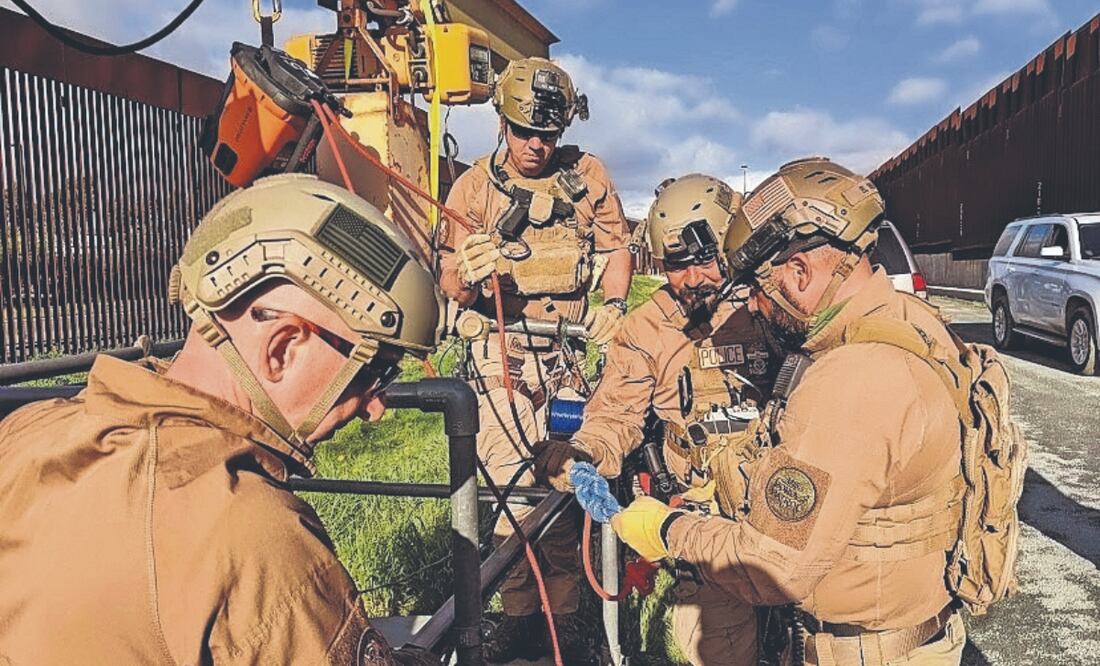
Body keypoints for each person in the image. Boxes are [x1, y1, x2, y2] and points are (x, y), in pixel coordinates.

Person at [0, 175, 445, 665]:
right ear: (283, 348)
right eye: (374, 371)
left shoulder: (26, 432)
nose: (375, 406)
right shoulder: (257, 540)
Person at [609, 158, 971, 665]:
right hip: (908, 628)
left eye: (758, 288)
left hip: (863, 649)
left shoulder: (850, 383)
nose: (752, 307)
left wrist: (666, 530)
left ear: (799, 271)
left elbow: (768, 566)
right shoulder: (914, 322)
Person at [535, 173, 781, 665]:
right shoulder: (646, 328)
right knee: (714, 649)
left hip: (789, 509)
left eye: (703, 260)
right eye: (675, 265)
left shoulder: (774, 304)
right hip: (709, 532)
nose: (691, 279)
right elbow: (615, 415)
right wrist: (584, 454)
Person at [437, 57, 632, 663]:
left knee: (571, 481)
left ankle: (569, 615)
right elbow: (450, 283)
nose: (536, 146)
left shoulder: (587, 176)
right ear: (502, 122)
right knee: (512, 492)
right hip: (505, 356)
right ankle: (522, 615)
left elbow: (617, 247)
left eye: (548, 133)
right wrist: (465, 275)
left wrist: (616, 305)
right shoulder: (472, 188)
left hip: (569, 357)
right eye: (524, 131)